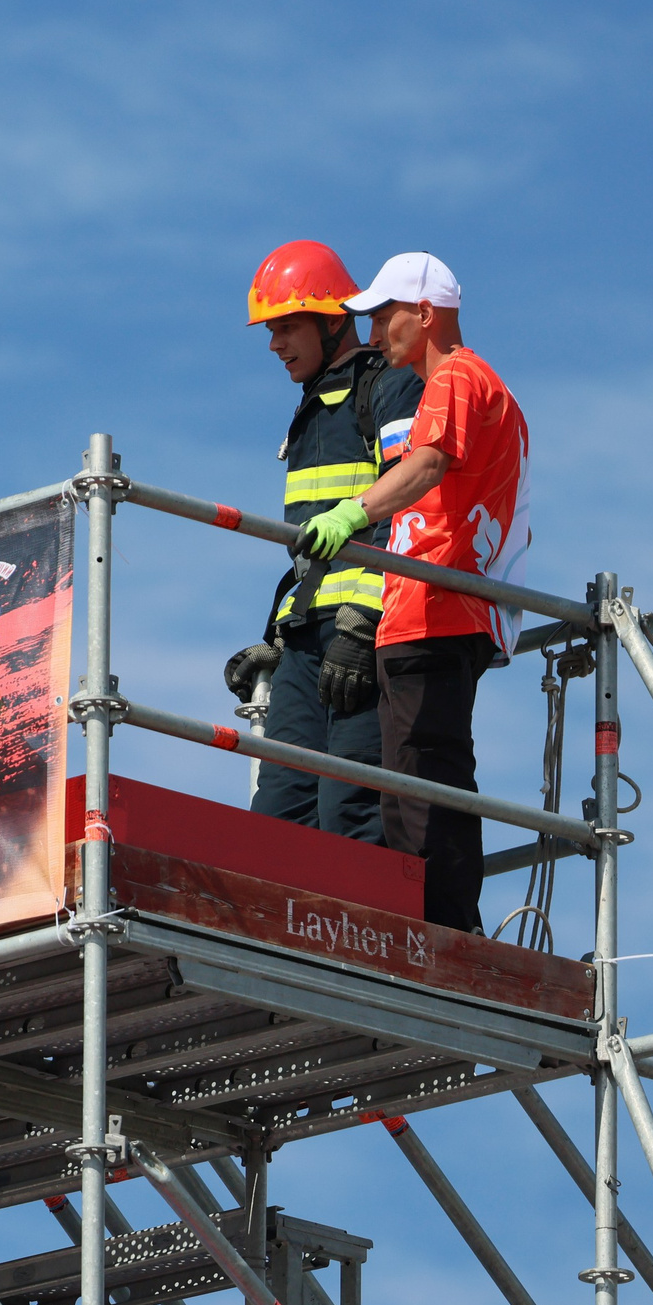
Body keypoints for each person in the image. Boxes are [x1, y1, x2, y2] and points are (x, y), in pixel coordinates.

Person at [292, 253, 531, 932]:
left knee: (424, 789)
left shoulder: (455, 375)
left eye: (383, 314)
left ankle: (445, 937)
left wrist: (350, 512)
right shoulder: (477, 385)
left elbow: (425, 465)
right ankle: (431, 929)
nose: (372, 332)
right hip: (427, 615)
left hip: (436, 615)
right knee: (411, 788)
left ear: (425, 313)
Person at [226, 241, 423, 842]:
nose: (274, 344)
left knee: (351, 810)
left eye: (287, 326)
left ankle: (363, 937)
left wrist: (362, 624)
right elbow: (313, 546)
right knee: (280, 812)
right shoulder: (313, 408)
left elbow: (408, 509)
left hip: (364, 631)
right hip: (309, 636)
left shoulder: (386, 386)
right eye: (270, 329)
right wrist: (279, 634)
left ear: (333, 319)